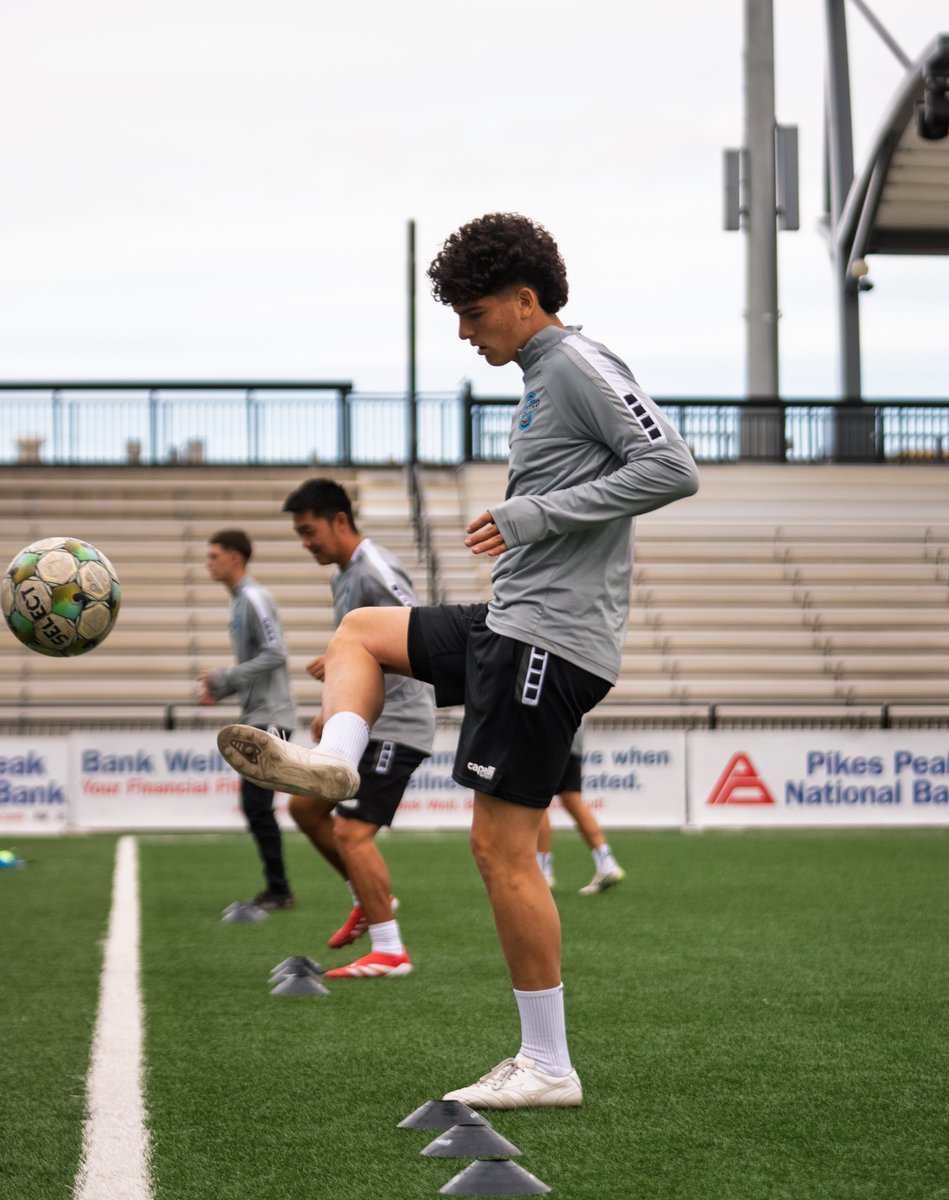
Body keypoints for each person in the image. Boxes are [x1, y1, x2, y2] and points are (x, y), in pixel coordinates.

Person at [218, 212, 699, 1107]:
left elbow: (673, 466)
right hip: (512, 620)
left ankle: (549, 1065)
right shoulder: (540, 375)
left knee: (499, 847)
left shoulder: (578, 363)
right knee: (362, 632)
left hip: (548, 640)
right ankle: (334, 763)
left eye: (474, 313)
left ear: (526, 300)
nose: (464, 332)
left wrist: (532, 516)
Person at [280, 477, 436, 978]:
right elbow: (364, 648)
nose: (306, 543)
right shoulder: (341, 575)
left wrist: (361, 667)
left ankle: (390, 950)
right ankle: (369, 897)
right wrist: (337, 692)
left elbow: (416, 630)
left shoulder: (373, 568)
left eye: (309, 531)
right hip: (370, 720)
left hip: (401, 721)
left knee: (351, 832)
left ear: (339, 521)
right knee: (304, 807)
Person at [200, 529, 297, 910]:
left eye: (214, 556)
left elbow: (277, 653)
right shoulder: (238, 602)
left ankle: (280, 890)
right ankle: (277, 888)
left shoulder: (254, 598)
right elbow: (254, 665)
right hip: (257, 714)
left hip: (271, 716)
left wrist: (227, 677)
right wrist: (222, 689)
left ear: (235, 558)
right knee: (256, 806)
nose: (208, 563)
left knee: (258, 805)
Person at [536, 723, 625, 895]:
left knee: (535, 799)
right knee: (571, 798)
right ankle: (607, 863)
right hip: (571, 731)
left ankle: (542, 872)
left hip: (546, 731)